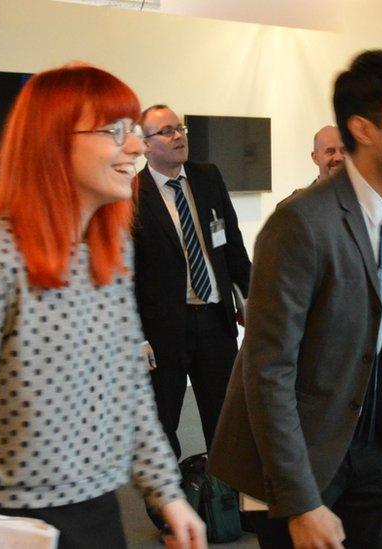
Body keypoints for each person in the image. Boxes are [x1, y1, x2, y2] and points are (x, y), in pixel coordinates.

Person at [0, 64, 205, 549]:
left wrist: (167, 494)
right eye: (116, 132)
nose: (136, 147)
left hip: (98, 512)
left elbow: (131, 390)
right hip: (20, 526)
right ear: (55, 142)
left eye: (134, 132)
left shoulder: (108, 253)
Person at [208, 49, 382, 548]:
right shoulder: (300, 223)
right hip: (296, 457)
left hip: (368, 448)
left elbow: (379, 360)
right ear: (363, 128)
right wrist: (300, 500)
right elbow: (268, 369)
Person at [132, 104, 251, 461]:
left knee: (227, 420)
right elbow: (125, 276)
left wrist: (253, 301)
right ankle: (174, 506)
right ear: (145, 144)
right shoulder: (132, 195)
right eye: (166, 131)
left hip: (215, 319)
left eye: (180, 128)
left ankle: (227, 506)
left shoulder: (207, 177)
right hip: (164, 330)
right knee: (163, 423)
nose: (179, 136)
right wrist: (135, 335)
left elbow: (232, 245)